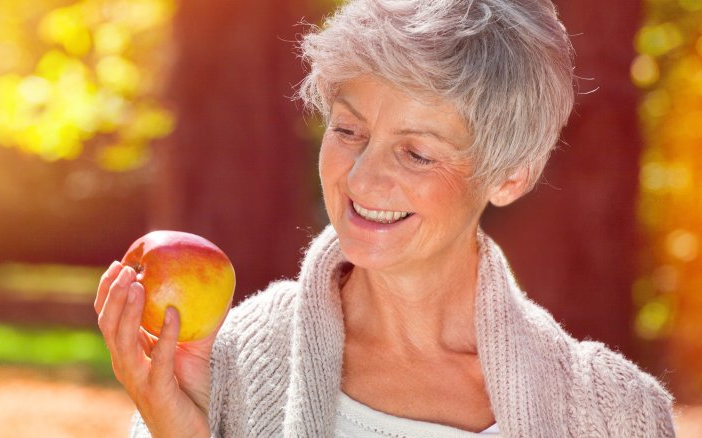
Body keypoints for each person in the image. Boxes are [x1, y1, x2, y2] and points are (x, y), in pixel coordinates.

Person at [94, 0, 676, 436]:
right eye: (348, 130)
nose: (362, 179)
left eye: (416, 153)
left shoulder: (618, 415)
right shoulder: (225, 369)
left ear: (510, 176)